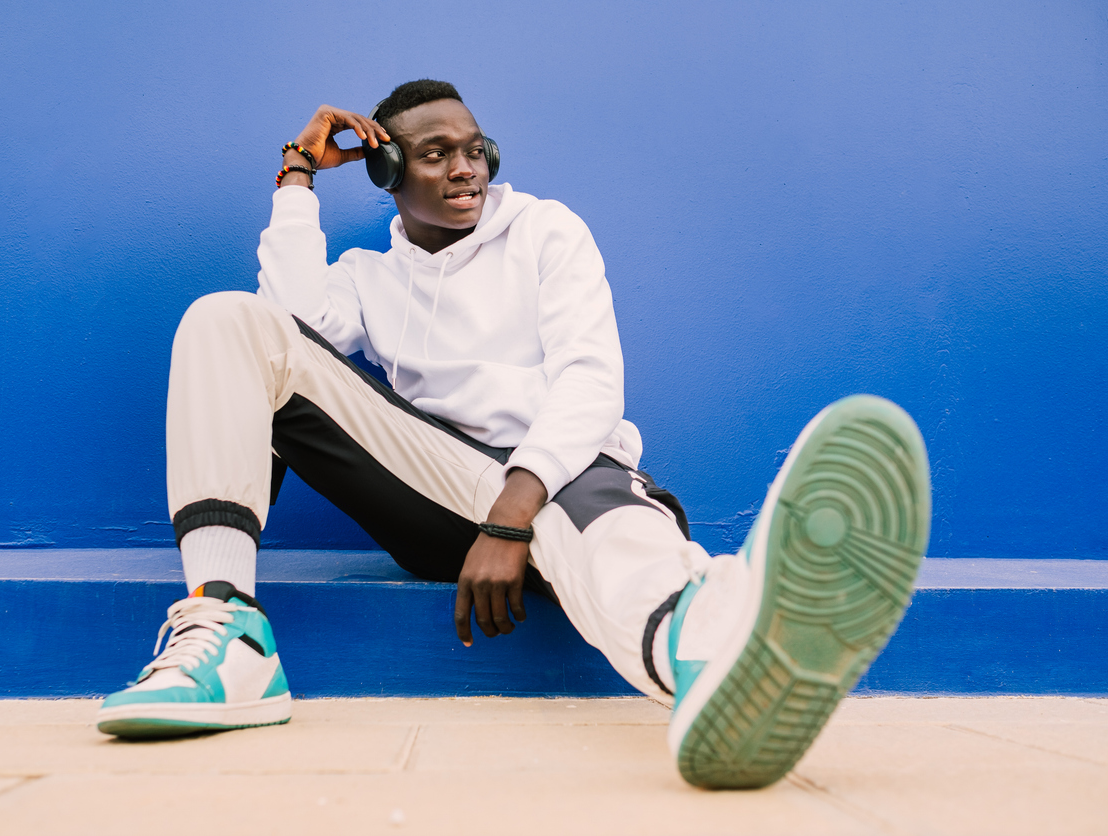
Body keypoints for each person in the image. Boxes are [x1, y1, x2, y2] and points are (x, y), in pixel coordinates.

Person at [95, 79, 931, 790]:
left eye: (477, 148)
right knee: (228, 322)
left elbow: (591, 383)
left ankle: (715, 652)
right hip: (436, 492)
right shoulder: (368, 279)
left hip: (556, 478)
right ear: (387, 170)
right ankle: (229, 632)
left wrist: (511, 514)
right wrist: (297, 176)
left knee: (598, 510)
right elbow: (287, 323)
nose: (466, 168)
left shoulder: (545, 231)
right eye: (434, 153)